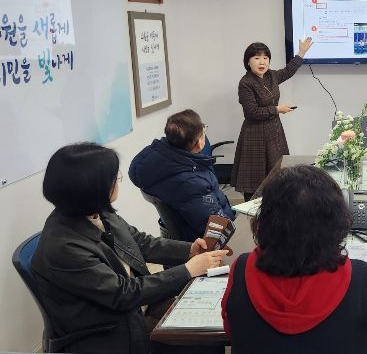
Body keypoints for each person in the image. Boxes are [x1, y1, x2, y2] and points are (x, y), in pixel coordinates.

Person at [32, 143, 229, 354]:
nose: (118, 182)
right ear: (93, 188)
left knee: (218, 314)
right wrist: (188, 270)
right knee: (203, 340)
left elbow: (141, 242)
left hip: (135, 307)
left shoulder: (97, 211)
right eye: (114, 178)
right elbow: (123, 294)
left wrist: (189, 250)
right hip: (109, 329)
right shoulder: (64, 248)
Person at [222, 165, 367, 353]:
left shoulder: (241, 269)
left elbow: (232, 332)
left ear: (266, 218)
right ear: (336, 221)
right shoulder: (360, 278)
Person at [129, 109, 234, 241]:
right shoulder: (193, 183)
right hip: (202, 242)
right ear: (199, 143)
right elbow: (218, 229)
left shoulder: (157, 160)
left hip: (183, 232)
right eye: (203, 131)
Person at [230, 38, 313, 201]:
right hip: (254, 135)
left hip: (274, 132)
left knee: (277, 176)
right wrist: (276, 109)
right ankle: (252, 211)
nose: (262, 62)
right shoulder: (245, 83)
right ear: (248, 62)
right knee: (255, 180)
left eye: (265, 58)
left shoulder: (272, 76)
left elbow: (289, 70)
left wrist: (302, 52)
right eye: (256, 58)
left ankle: (276, 208)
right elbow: (251, 112)